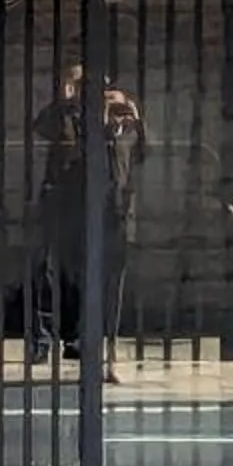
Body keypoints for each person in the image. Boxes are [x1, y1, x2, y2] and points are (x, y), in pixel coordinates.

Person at [25, 65, 140, 366]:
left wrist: (127, 114)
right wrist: (64, 99)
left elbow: (126, 153)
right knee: (47, 271)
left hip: (91, 205)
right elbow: (41, 128)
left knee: (82, 273)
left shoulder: (108, 117)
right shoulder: (64, 114)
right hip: (59, 200)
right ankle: (42, 340)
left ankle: (78, 339)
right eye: (82, 84)